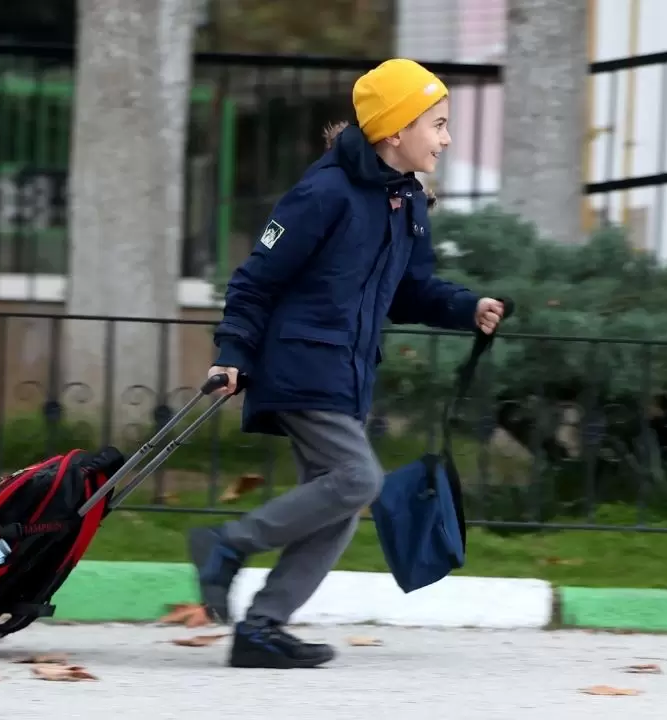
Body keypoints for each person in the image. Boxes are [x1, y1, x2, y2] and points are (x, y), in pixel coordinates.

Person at [188, 58, 506, 670]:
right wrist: (233, 354)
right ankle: (226, 546)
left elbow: (412, 290)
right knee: (359, 480)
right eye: (436, 124)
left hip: (348, 370)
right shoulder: (324, 193)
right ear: (394, 131)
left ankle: (262, 627)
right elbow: (255, 280)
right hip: (301, 365)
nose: (445, 137)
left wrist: (469, 308)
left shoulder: (406, 199)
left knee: (334, 503)